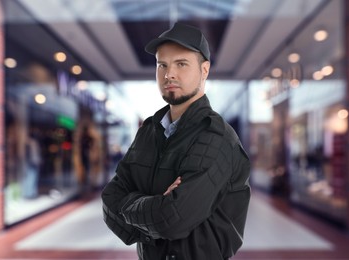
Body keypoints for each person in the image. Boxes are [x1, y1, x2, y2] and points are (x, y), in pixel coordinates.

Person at [101, 23, 251, 260]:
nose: (169, 74)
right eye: (162, 65)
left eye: (181, 64)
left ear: (205, 70)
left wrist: (134, 205)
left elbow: (172, 220)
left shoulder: (216, 137)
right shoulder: (149, 131)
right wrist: (157, 204)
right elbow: (109, 201)